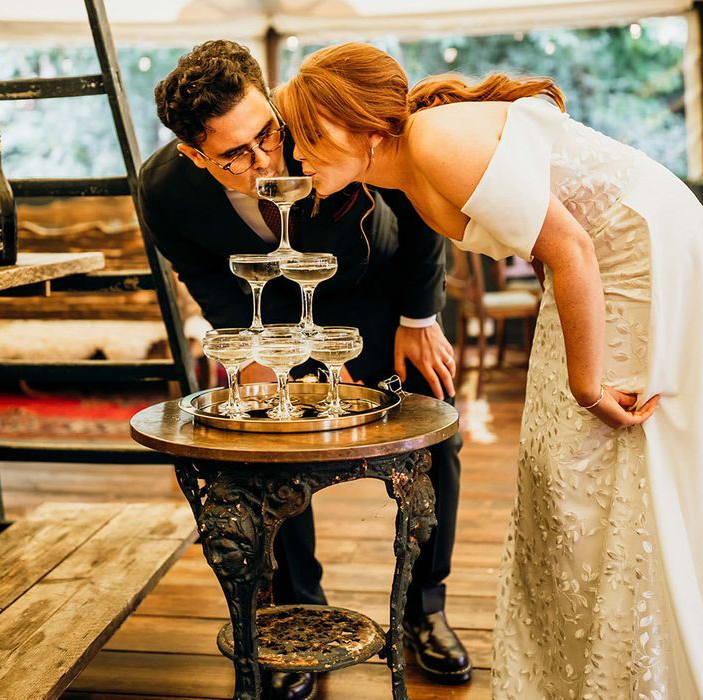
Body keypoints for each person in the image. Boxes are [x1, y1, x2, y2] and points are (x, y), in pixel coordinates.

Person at [276, 42, 703, 699]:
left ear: (356, 122)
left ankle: (640, 663)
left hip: (634, 249)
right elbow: (545, 236)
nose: (296, 155)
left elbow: (572, 244)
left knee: (604, 460)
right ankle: (586, 663)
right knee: (555, 467)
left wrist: (586, 385)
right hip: (590, 266)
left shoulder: (431, 139)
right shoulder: (408, 171)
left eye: (306, 137)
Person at [138, 40, 472, 698]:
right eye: (234, 154)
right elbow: (210, 280)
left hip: (376, 295)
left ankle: (425, 610)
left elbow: (420, 197)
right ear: (193, 155)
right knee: (269, 448)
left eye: (267, 133)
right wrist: (262, 357)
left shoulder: (315, 121)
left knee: (439, 432)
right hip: (270, 317)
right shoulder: (164, 192)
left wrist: (418, 317)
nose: (266, 158)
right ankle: (298, 619)